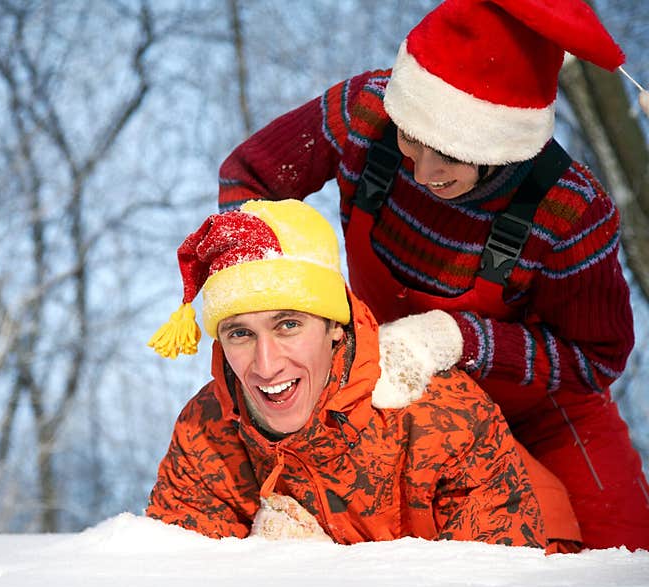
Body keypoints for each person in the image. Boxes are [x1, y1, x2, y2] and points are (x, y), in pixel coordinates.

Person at [217, 0, 649, 550]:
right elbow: (249, 177)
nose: (422, 172)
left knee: (621, 556)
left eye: (447, 153)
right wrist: (265, 289)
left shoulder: (571, 210)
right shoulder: (366, 114)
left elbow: (597, 358)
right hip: (400, 397)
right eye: (410, 140)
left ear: (502, 145)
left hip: (547, 408)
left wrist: (454, 337)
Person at [145, 198, 581, 553]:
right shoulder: (205, 429)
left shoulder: (442, 413)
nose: (266, 364)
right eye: (240, 333)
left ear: (335, 326)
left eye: (289, 325)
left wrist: (316, 579)